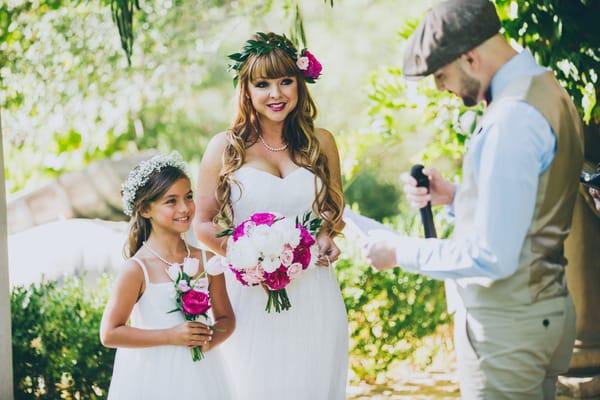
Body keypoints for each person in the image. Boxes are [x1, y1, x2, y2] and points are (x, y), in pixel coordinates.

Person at [362, 0, 584, 398]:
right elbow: (536, 202)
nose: (440, 88)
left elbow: (490, 257)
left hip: (509, 328)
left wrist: (398, 251)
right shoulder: (544, 88)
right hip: (543, 311)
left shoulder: (511, 118)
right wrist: (455, 197)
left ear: (470, 57)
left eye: (442, 74)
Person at [193, 32, 348, 400]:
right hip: (249, 298)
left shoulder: (320, 142)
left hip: (315, 292)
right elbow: (202, 223)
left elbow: (334, 211)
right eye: (262, 84)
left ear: (299, 84)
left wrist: (327, 236)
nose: (275, 94)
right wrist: (248, 260)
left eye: (285, 81)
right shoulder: (225, 147)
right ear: (246, 89)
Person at [100, 152, 235, 399]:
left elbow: (227, 319)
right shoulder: (136, 269)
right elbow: (109, 333)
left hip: (201, 375)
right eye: (171, 201)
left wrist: (210, 338)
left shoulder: (207, 261)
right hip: (151, 377)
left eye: (189, 197)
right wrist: (170, 336)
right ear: (145, 209)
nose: (184, 208)